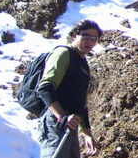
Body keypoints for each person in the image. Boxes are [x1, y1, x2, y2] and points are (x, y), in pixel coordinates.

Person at [36, 20, 101, 158]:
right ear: (74, 35)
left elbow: (80, 101)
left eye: (95, 39)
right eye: (86, 36)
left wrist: (87, 133)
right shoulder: (63, 53)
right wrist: (62, 117)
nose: (90, 41)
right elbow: (45, 87)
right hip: (56, 121)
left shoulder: (82, 62)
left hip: (70, 124)